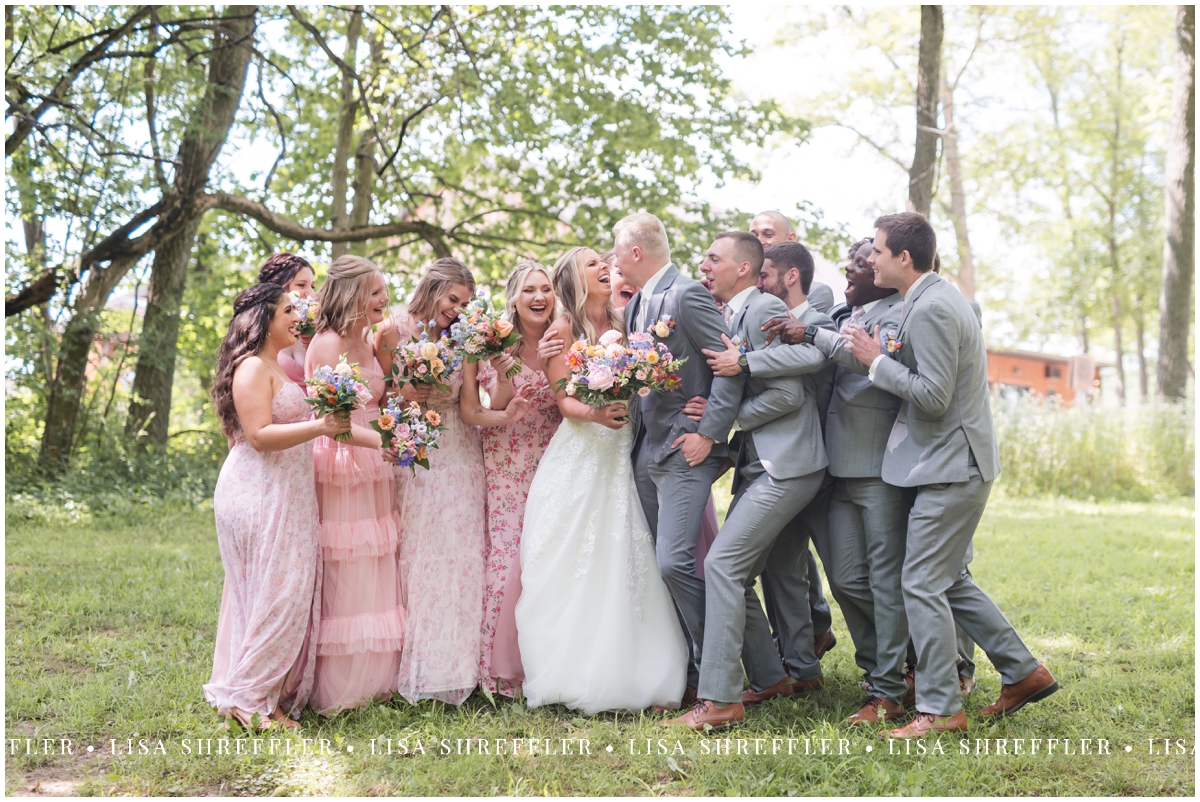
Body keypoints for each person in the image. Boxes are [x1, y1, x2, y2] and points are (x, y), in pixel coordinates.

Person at [842, 212, 1058, 736]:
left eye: (876, 249)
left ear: (904, 258)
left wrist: (875, 362)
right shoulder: (928, 299)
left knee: (920, 581)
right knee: (949, 578)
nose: (869, 257)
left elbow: (935, 398)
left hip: (951, 464)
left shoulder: (935, 307)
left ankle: (940, 707)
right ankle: (1024, 672)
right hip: (943, 462)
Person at [664, 232, 826, 730]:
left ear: (743, 269)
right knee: (733, 571)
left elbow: (789, 397)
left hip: (788, 463)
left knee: (722, 566)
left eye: (714, 258)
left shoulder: (758, 310)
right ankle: (772, 676)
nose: (705, 265)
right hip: (758, 466)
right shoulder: (731, 315)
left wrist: (725, 416)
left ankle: (719, 701)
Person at [516, 246, 688, 714]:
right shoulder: (563, 327)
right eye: (593, 262)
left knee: (629, 553)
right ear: (575, 274)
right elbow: (562, 401)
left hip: (626, 447)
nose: (604, 267)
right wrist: (595, 410)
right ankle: (574, 669)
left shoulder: (628, 315)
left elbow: (650, 373)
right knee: (576, 555)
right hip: (583, 450)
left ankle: (643, 667)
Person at [206, 283, 352, 730]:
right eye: (288, 309)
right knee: (277, 594)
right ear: (263, 318)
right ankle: (249, 699)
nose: (297, 316)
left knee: (281, 594)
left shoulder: (276, 367)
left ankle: (262, 696)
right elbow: (259, 436)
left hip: (286, 492)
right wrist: (320, 426)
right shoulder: (251, 368)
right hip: (258, 491)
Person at [616, 212, 742, 711]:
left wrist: (709, 433)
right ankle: (693, 672)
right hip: (644, 449)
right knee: (661, 564)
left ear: (636, 253)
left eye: (618, 252)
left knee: (676, 562)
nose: (615, 263)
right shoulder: (634, 308)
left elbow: (729, 367)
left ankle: (720, 675)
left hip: (684, 449)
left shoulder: (687, 294)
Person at [376, 257, 486, 706]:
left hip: (461, 452)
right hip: (417, 454)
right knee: (419, 555)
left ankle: (458, 669)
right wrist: (406, 393)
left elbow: (469, 402)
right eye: (452, 299)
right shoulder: (392, 330)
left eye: (465, 303)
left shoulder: (462, 339)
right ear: (432, 288)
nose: (457, 309)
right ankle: (417, 667)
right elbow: (376, 393)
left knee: (462, 557)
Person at [305, 255, 401, 716]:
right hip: (341, 460)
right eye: (377, 292)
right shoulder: (323, 346)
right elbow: (331, 425)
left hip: (376, 458)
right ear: (354, 296)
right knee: (347, 562)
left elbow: (386, 395)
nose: (384, 299)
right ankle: (342, 687)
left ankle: (378, 679)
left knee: (377, 560)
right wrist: (386, 440)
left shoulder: (369, 339)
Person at [463, 261, 561, 698]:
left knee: (548, 556)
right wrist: (504, 374)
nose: (539, 297)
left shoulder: (565, 338)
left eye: (546, 289)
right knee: (507, 557)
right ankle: (501, 670)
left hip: (556, 456)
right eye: (529, 291)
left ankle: (549, 662)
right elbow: (496, 404)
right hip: (508, 456)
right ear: (515, 299)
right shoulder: (496, 343)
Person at [749, 210, 834, 313]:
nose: (759, 241)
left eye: (768, 235)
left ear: (790, 239)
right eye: (754, 236)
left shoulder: (816, 292)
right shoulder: (743, 286)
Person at [257, 253, 317, 385]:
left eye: (312, 286)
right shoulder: (258, 333)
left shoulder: (317, 330)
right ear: (278, 286)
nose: (310, 293)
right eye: (301, 285)